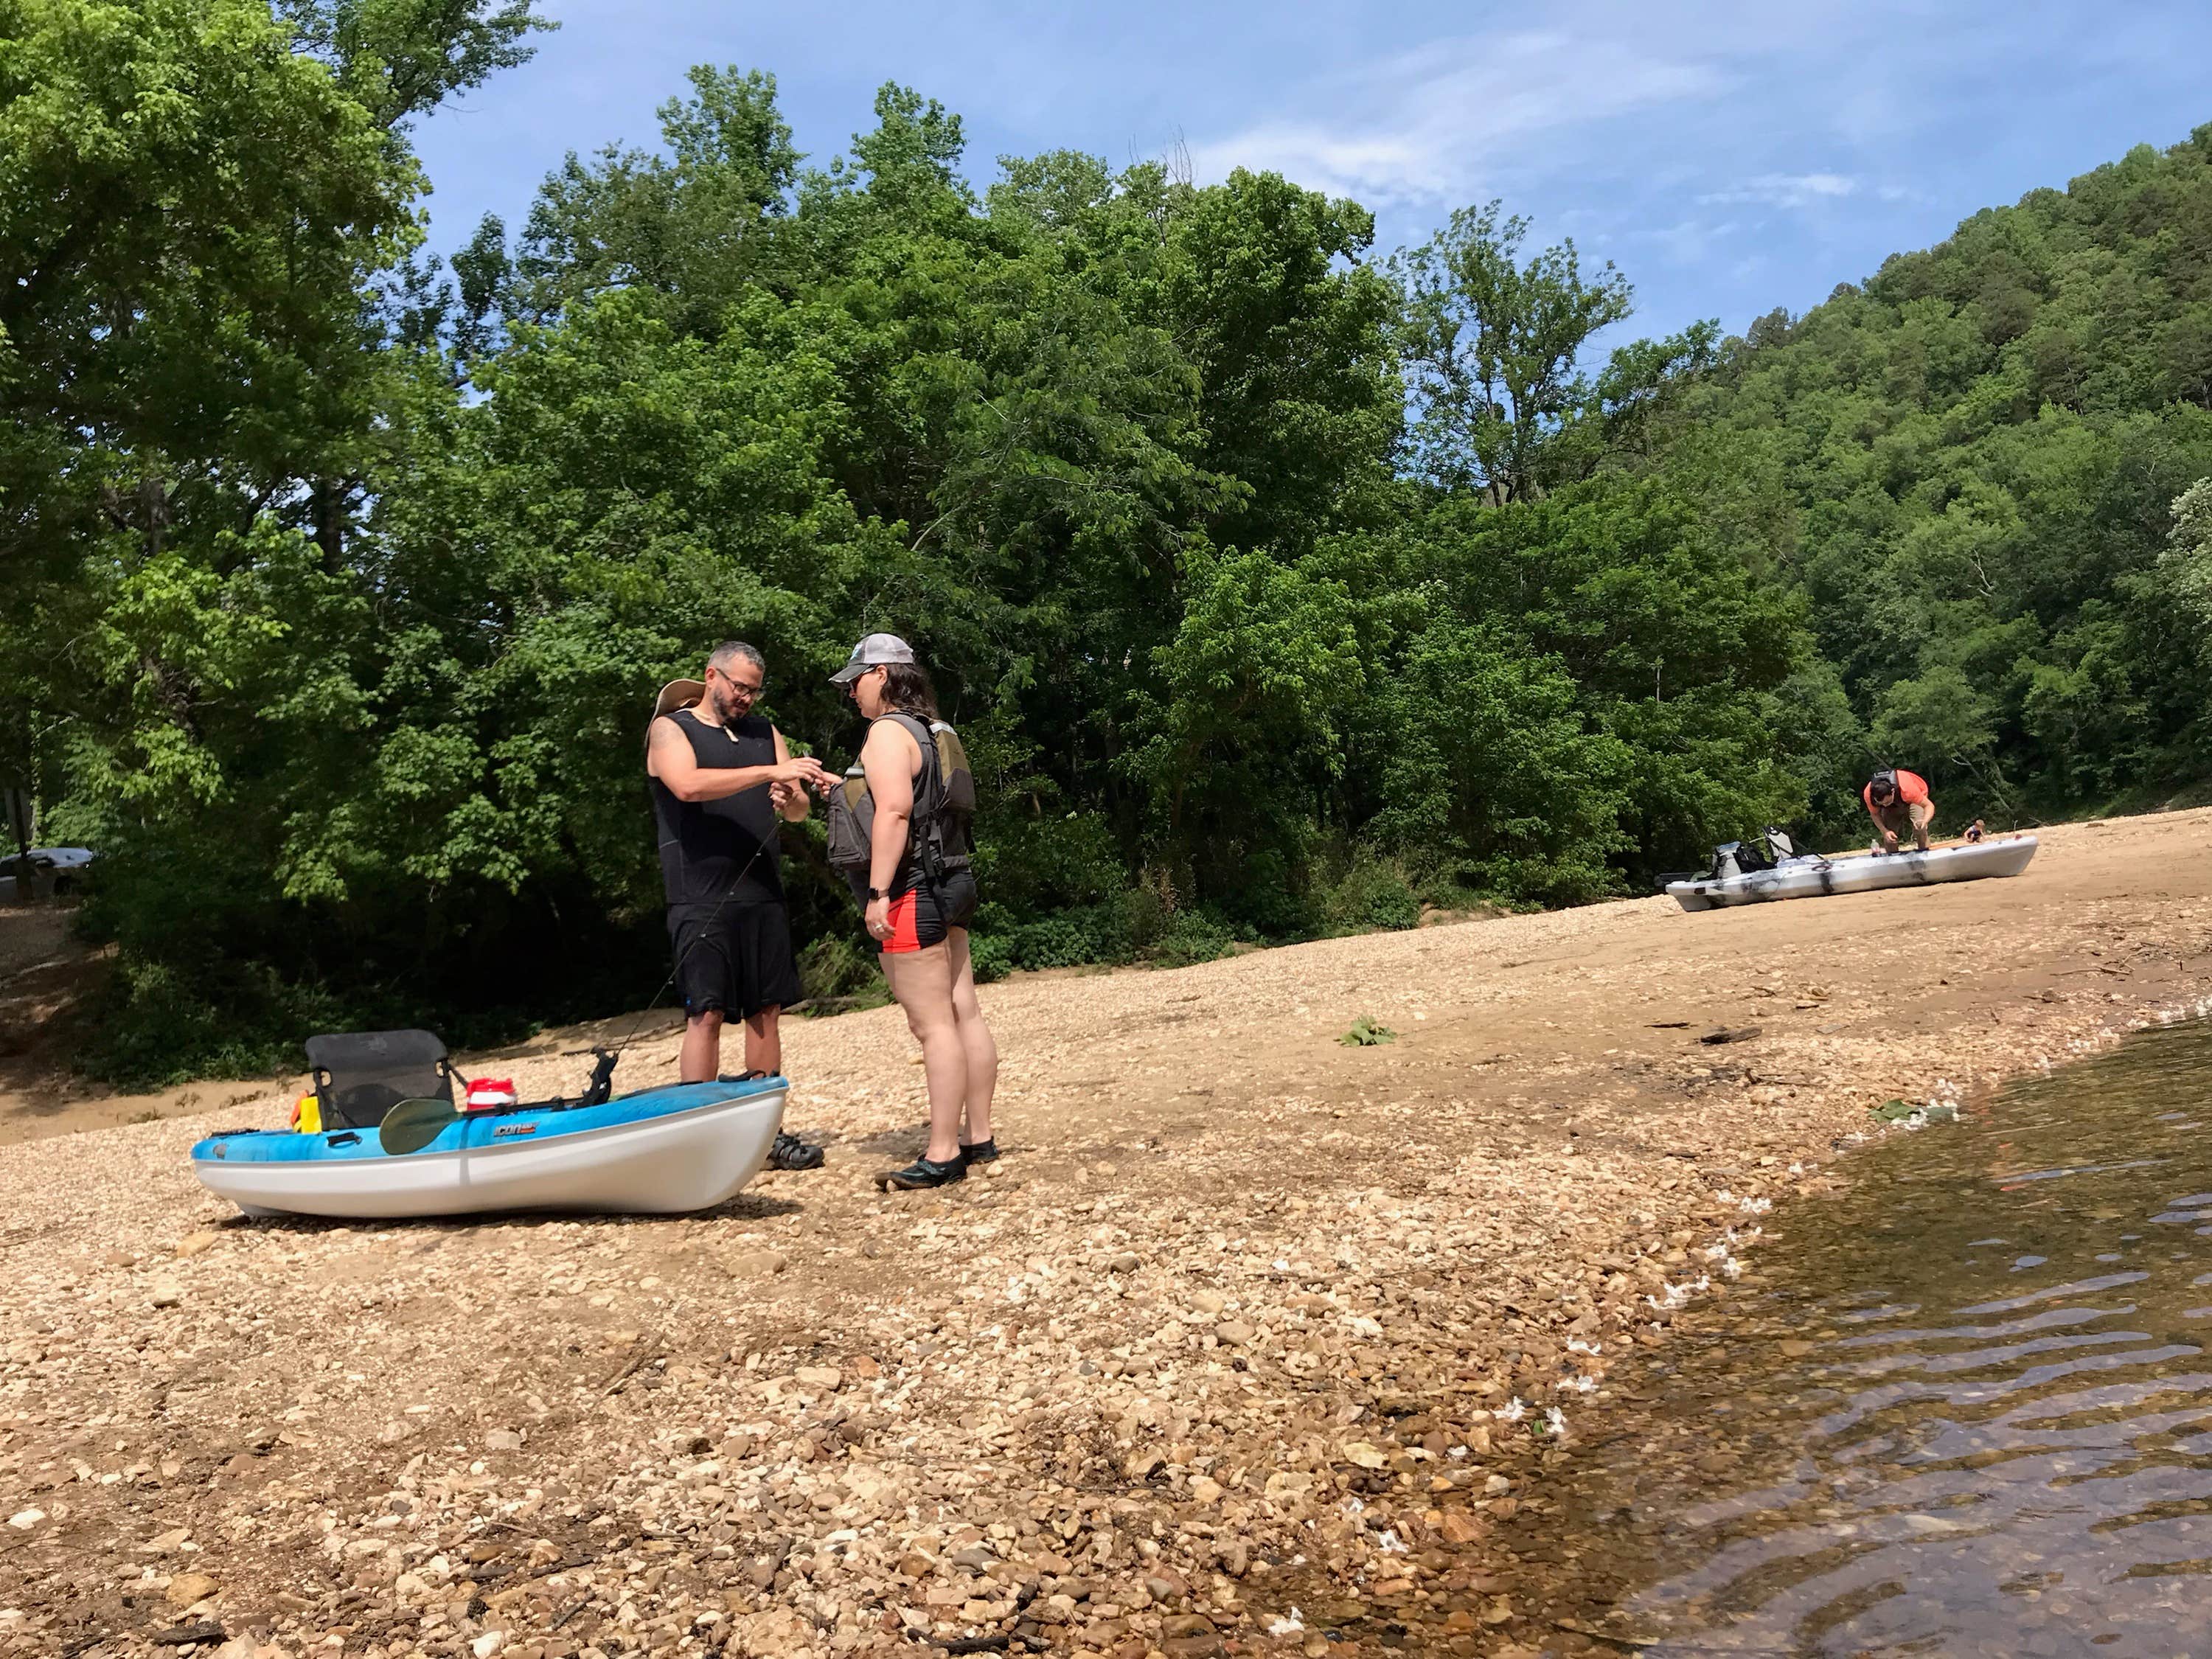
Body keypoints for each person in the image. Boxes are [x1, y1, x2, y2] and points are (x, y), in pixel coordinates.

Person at [829, 633, 999, 1192]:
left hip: (911, 890)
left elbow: (896, 812)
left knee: (933, 1026)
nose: (851, 691)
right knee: (963, 1010)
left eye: (856, 680)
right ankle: (979, 1135)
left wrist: (878, 894)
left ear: (881, 674)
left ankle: (943, 1152)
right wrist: (839, 787)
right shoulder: (933, 729)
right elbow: (911, 800)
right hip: (954, 879)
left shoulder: (884, 732)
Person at [646, 641, 833, 1093]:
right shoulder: (670, 730)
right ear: (712, 677)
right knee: (705, 1011)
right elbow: (687, 786)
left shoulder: (765, 733)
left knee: (767, 1009)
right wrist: (768, 773)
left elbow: (798, 810)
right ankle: (697, 1119)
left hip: (763, 890)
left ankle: (766, 1127)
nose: (746, 698)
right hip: (699, 894)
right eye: (739, 687)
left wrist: (790, 795)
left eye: (754, 691)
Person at [1863, 767, 1934, 854]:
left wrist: (1925, 821)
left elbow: (1929, 806)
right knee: (1889, 836)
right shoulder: (1868, 795)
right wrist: (1885, 831)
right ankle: (1892, 858)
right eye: (1881, 804)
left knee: (1920, 827)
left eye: (1887, 801)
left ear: (1892, 791)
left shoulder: (1907, 789)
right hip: (1893, 807)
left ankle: (1925, 855)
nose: (1885, 805)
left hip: (1915, 798)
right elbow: (1875, 814)